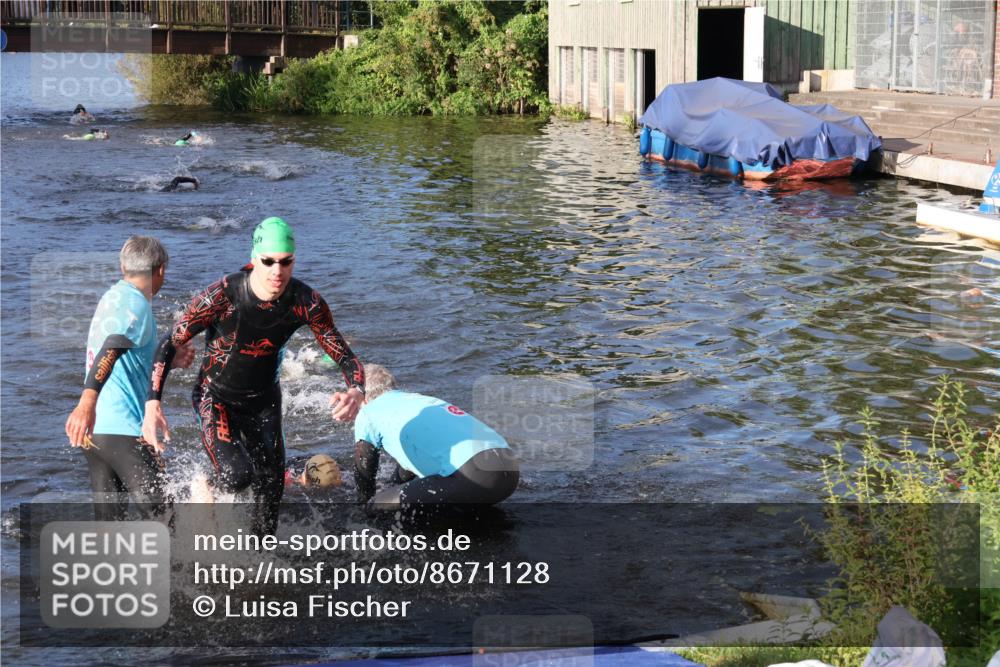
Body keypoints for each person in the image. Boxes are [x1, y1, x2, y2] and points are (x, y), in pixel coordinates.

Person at [142, 217, 365, 536]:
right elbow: (169, 343)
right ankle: (206, 485)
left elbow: (342, 353)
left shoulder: (306, 303)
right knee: (237, 476)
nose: (277, 271)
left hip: (264, 403)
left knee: (270, 491)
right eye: (269, 261)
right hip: (215, 398)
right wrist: (153, 405)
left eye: (286, 262)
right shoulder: (224, 295)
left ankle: (259, 562)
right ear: (254, 258)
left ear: (293, 260)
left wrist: (356, 389)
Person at [65, 236, 195, 520]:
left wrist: (169, 362)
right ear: (160, 269)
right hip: (122, 430)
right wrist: (85, 403)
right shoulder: (136, 305)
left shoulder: (112, 297)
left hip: (96, 434)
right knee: (165, 518)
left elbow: (124, 358)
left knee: (111, 527)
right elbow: (110, 350)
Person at [353, 364, 519, 509]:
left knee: (374, 507)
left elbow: (365, 471)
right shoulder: (420, 400)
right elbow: (412, 462)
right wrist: (392, 486)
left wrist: (365, 503)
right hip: (509, 472)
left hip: (473, 479)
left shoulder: (368, 412)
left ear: (361, 396)